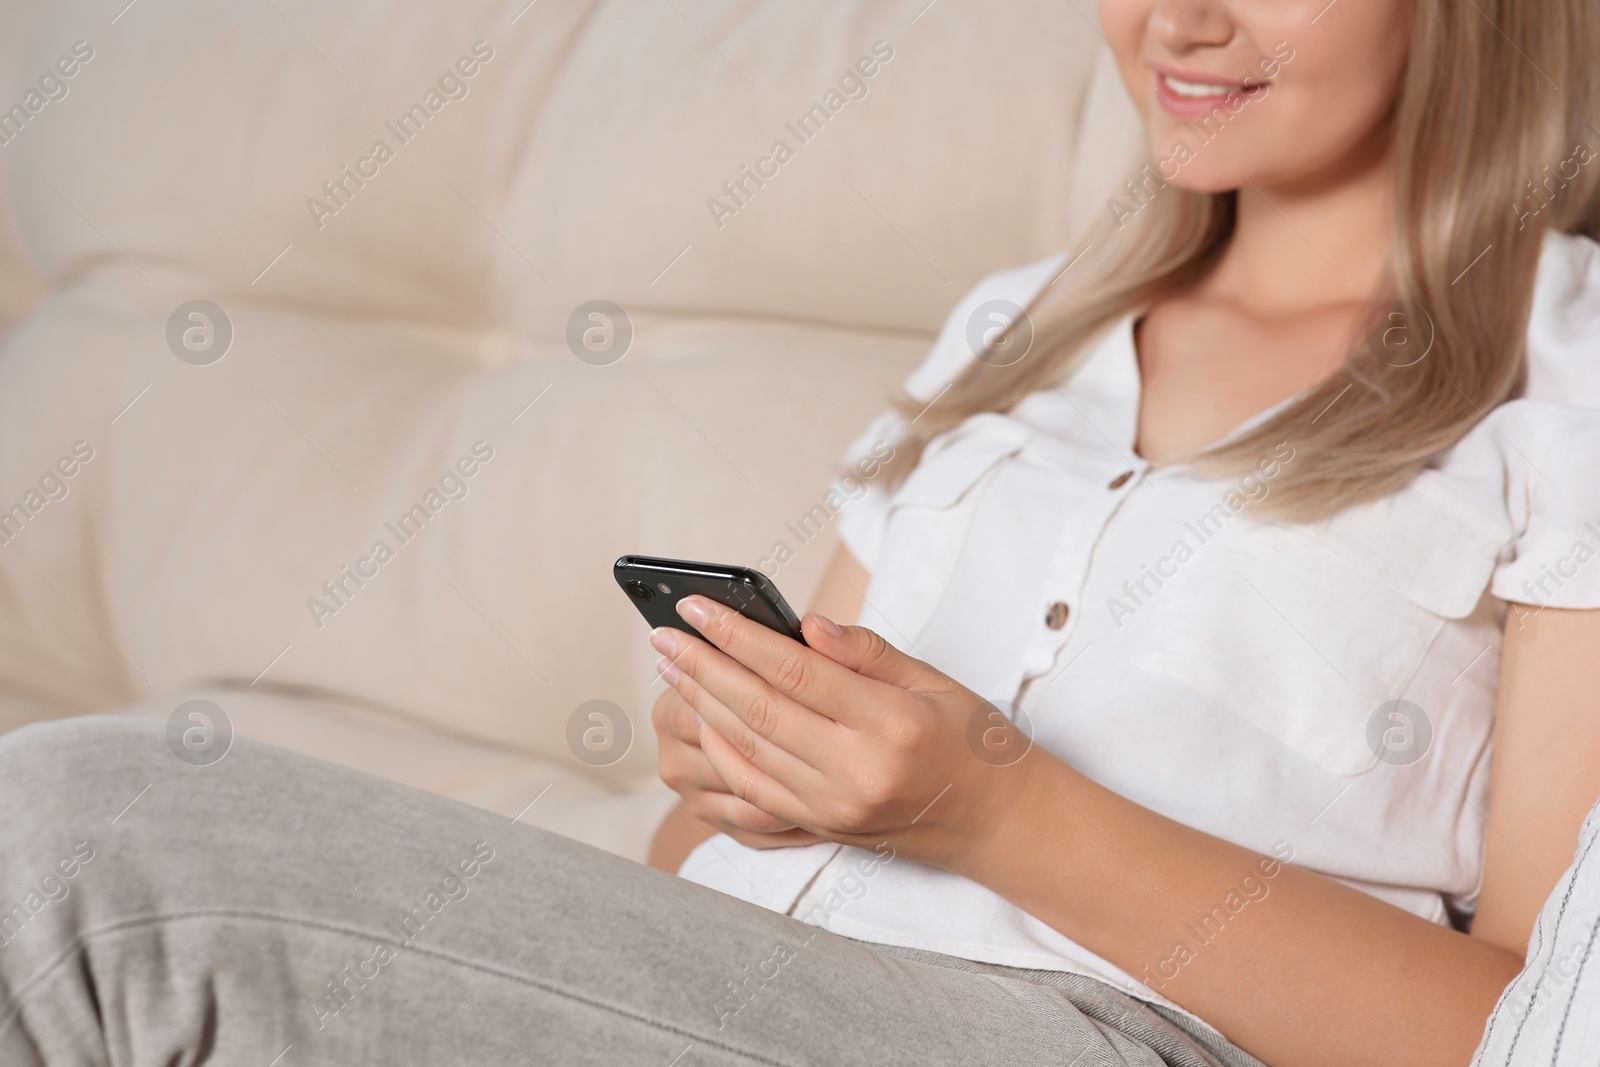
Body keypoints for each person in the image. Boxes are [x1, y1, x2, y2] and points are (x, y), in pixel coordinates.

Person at [4, 1, 1599, 1064]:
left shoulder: (1570, 378)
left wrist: (994, 812)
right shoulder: (1014, 327)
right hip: (757, 991)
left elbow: (1526, 1028)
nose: (1178, 18)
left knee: (69, 839)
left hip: (1104, 1037)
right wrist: (747, 777)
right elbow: (689, 864)